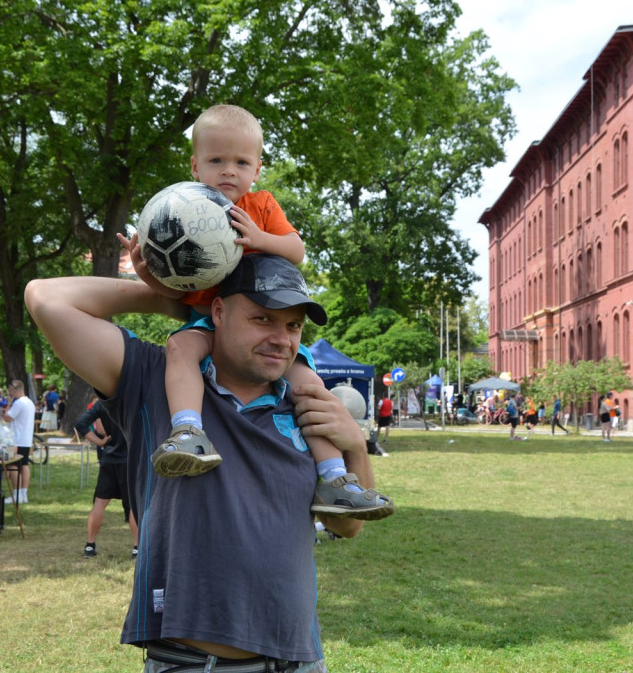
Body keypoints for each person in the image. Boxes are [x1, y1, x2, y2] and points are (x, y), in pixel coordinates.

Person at [25, 253, 381, 670]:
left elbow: (348, 525)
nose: (282, 339)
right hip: (190, 664)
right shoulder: (156, 377)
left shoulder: (306, 402)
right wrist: (171, 298)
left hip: (296, 661)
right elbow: (45, 297)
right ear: (218, 312)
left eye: (293, 325)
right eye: (262, 318)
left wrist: (355, 447)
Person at [118, 105, 390, 520]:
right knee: (179, 350)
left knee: (309, 388)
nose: (229, 170)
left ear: (257, 169)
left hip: (267, 319)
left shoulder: (260, 206)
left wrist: (260, 237)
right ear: (195, 166)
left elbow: (296, 251)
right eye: (216, 160)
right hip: (211, 319)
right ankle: (189, 431)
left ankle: (336, 479)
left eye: (241, 162)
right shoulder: (184, 210)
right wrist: (147, 275)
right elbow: (178, 292)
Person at [79, 402, 139, 559]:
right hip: (131, 461)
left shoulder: (103, 404)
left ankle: (90, 546)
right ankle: (137, 548)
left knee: (99, 503)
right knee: (134, 505)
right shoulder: (133, 400)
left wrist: (99, 442)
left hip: (109, 459)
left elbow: (81, 424)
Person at [2, 380, 34, 505]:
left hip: (16, 440)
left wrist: (9, 404)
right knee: (24, 465)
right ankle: (23, 494)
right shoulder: (30, 402)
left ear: (14, 390)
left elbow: (7, 418)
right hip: (26, 440)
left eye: (10, 391)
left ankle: (16, 495)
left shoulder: (19, 403)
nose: (10, 393)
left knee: (12, 466)